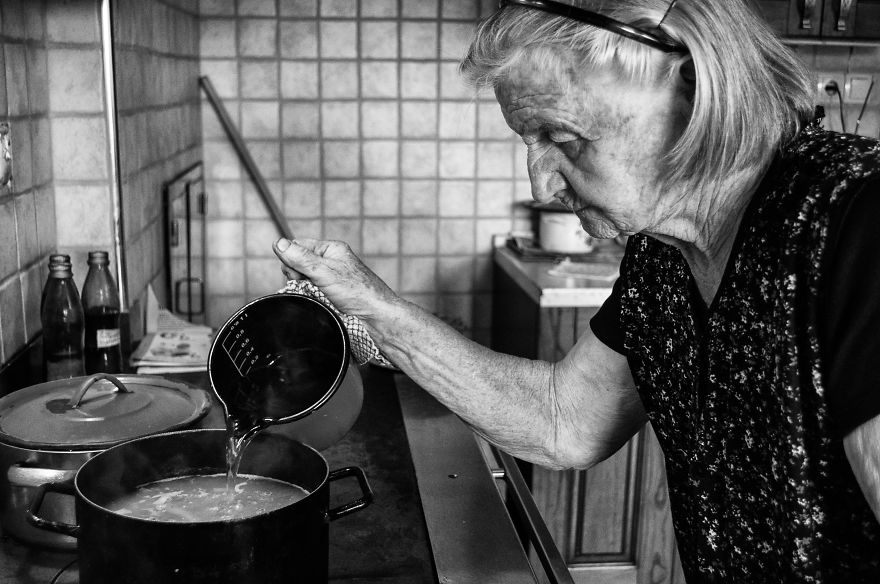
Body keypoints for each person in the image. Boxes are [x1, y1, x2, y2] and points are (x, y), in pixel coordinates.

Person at [273, 0, 880, 580]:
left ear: (696, 89)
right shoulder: (663, 250)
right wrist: (374, 308)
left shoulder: (858, 223)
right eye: (528, 141)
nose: (540, 184)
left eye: (562, 137)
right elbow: (565, 421)